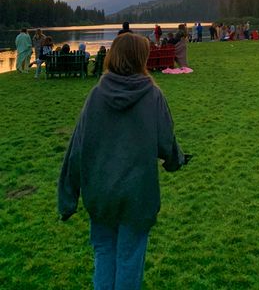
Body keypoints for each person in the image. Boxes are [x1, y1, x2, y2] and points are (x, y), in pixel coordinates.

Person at [58, 32, 191, 290]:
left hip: (100, 194)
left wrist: (67, 199)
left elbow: (76, 149)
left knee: (104, 254)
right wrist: (177, 161)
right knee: (129, 259)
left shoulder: (95, 96)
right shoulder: (153, 96)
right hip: (137, 196)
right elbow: (167, 141)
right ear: (140, 58)